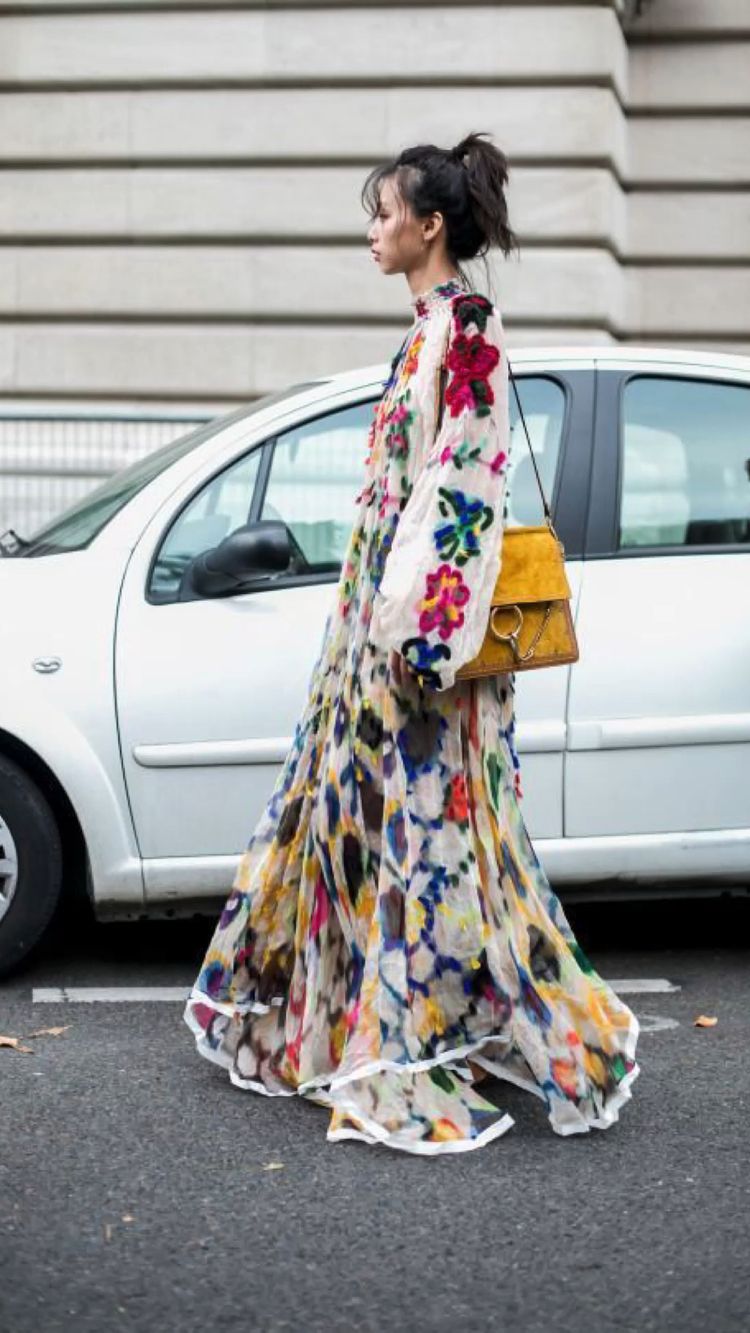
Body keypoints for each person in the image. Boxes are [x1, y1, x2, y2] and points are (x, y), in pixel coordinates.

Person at [183, 131, 640, 1154]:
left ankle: (427, 1032)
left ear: (430, 226)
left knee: (430, 848)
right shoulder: (428, 330)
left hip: (420, 651)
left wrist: (421, 640)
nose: (373, 229)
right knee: (368, 833)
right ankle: (390, 1023)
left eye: (385, 212)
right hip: (377, 634)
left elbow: (468, 489)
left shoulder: (467, 327)